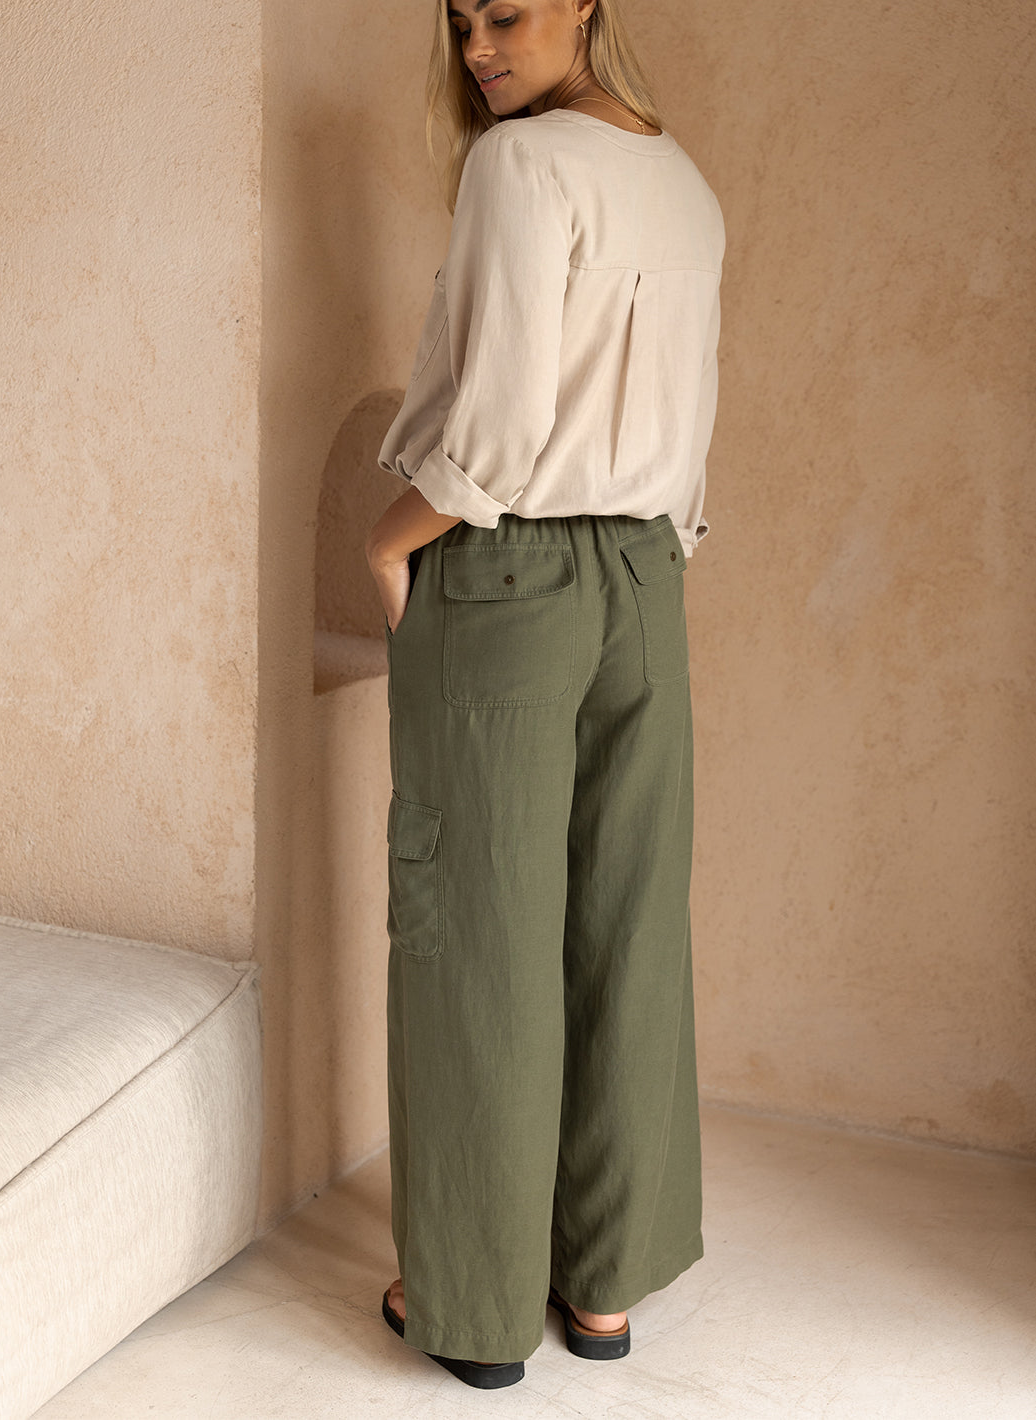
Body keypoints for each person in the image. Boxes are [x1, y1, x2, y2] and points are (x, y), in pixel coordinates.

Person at [365, 0, 724, 1390]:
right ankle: (604, 1287)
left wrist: (386, 541)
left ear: (582, 0)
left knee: (477, 939)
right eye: (459, 22)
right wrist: (652, 553)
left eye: (502, 14)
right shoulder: (679, 179)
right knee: (626, 928)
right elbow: (687, 418)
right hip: (646, 576)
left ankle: (467, 1300)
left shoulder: (519, 166)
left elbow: (496, 428)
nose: (475, 48)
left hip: (506, 570)